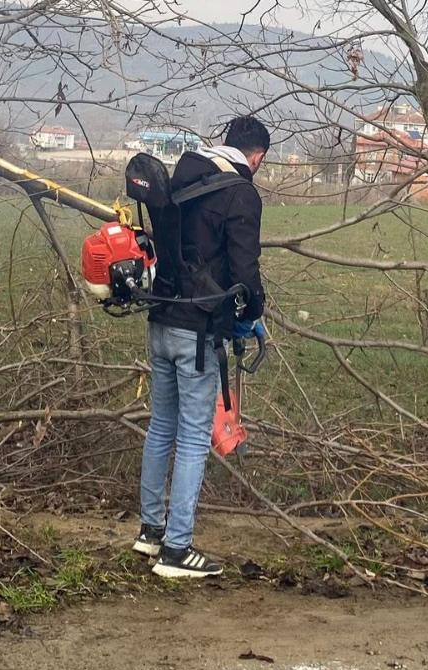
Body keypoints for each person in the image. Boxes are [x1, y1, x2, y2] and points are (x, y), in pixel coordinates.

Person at [133, 117, 270, 579]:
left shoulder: (184, 175)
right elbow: (244, 269)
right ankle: (177, 551)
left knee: (161, 427)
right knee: (193, 435)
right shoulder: (241, 193)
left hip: (160, 318)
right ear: (256, 157)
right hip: (197, 330)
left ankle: (150, 532)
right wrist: (252, 316)